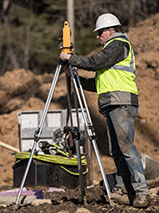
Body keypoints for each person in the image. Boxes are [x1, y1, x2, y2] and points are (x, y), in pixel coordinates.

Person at [60, 13, 150, 208]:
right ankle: (125, 190)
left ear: (110, 31)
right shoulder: (111, 51)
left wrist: (71, 58)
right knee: (116, 150)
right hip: (112, 102)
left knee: (125, 148)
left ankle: (141, 191)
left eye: (100, 32)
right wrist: (76, 79)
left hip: (122, 102)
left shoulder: (118, 45)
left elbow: (95, 63)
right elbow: (98, 83)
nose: (97, 37)